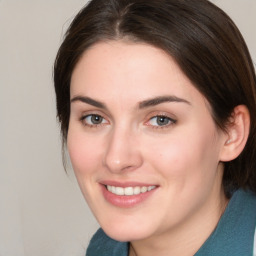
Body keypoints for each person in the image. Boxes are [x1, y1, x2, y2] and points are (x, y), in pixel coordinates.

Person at [53, 0, 256, 255]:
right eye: (95, 118)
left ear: (232, 133)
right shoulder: (104, 248)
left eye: (161, 120)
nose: (116, 159)